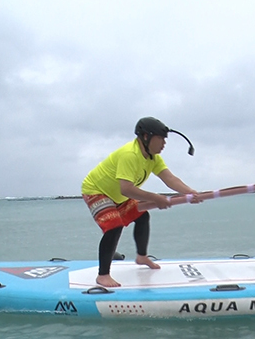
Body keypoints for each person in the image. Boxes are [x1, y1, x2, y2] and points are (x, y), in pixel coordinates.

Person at [81, 117, 201, 287]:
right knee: (114, 225)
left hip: (118, 196)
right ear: (145, 137)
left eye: (165, 139)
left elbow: (170, 179)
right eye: (160, 138)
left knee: (142, 216)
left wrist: (191, 192)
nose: (164, 143)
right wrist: (156, 198)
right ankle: (103, 275)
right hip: (96, 191)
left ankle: (142, 256)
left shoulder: (153, 158)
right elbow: (126, 189)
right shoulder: (130, 154)